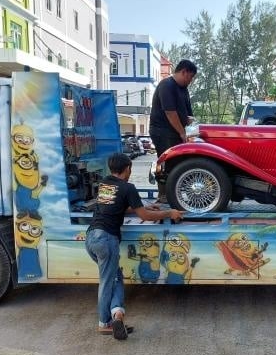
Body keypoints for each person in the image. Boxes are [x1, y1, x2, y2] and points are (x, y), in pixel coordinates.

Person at [85, 153, 184, 340]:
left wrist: (147, 208)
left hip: (91, 237)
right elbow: (144, 217)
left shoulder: (105, 184)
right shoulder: (128, 187)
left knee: (114, 278)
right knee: (108, 281)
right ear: (128, 168)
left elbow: (116, 206)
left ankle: (117, 315)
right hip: (106, 239)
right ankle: (104, 322)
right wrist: (169, 213)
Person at [149, 59, 198, 200]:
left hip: (177, 132)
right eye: (191, 77)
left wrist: (192, 129)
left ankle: (179, 192)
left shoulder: (183, 89)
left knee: (182, 162)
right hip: (163, 131)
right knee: (167, 163)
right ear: (184, 72)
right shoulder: (167, 85)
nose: (191, 81)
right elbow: (170, 112)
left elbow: (188, 115)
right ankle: (164, 194)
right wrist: (182, 132)